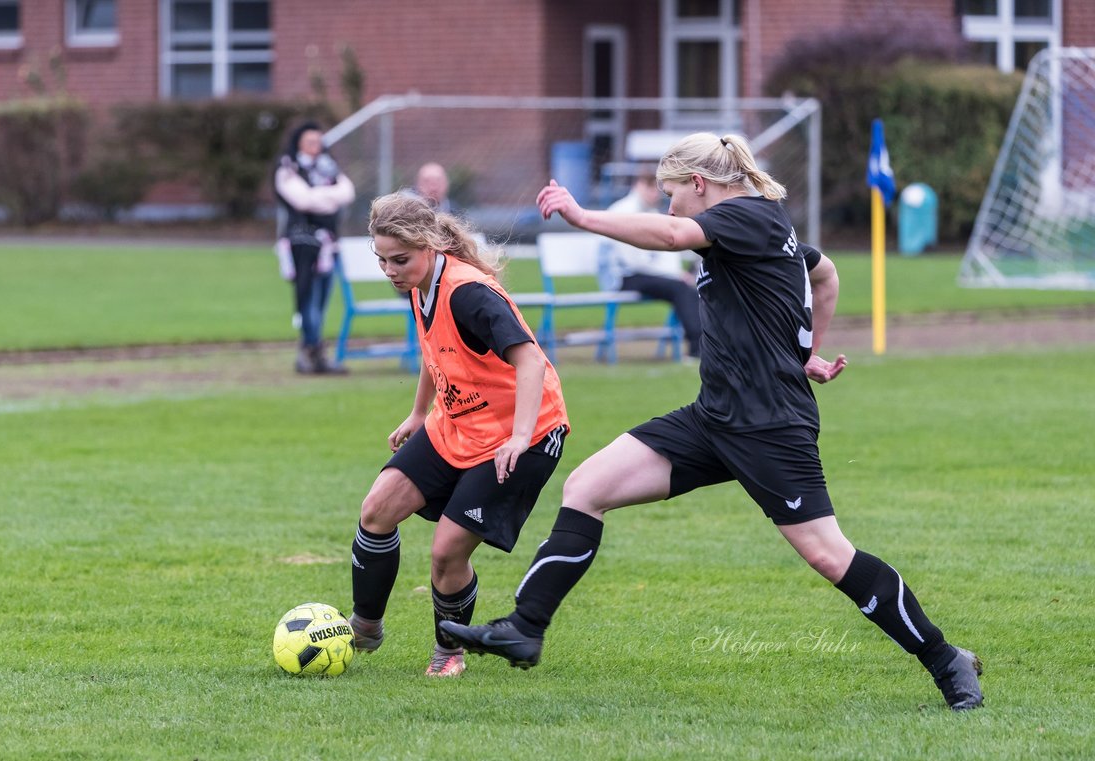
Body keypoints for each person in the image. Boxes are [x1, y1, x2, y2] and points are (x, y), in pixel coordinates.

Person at [442, 133, 984, 711]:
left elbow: (676, 235)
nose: (667, 206)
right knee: (587, 487)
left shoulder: (747, 215)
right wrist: (802, 350)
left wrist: (581, 215)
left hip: (770, 424)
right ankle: (525, 628)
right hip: (713, 417)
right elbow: (824, 277)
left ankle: (945, 659)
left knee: (829, 555)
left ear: (699, 185)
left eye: (670, 193)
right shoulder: (758, 226)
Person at [347, 192, 570, 678]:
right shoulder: (418, 284)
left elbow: (530, 359)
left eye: (399, 259)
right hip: (458, 421)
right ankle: (365, 627)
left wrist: (519, 435)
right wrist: (417, 411)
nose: (390, 270)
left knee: (447, 552)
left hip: (523, 435)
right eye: (381, 259)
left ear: (429, 246)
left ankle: (449, 651)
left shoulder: (470, 292)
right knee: (377, 509)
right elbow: (438, 349)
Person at [273, 121, 355, 375]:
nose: (315, 147)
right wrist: (327, 196)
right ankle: (310, 350)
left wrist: (316, 196)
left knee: (321, 300)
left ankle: (314, 350)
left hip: (329, 244)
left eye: (318, 142)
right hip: (303, 243)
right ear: (298, 143)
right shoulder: (288, 168)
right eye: (309, 142)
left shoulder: (329, 167)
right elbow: (301, 199)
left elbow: (347, 192)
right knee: (306, 297)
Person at [599, 171, 704, 358]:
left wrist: (676, 273)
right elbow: (633, 261)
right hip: (625, 277)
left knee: (689, 287)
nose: (655, 195)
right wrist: (673, 275)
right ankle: (697, 347)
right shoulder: (623, 211)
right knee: (679, 288)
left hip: (644, 274)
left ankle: (702, 344)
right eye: (651, 189)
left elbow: (665, 255)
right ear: (638, 185)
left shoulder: (650, 212)